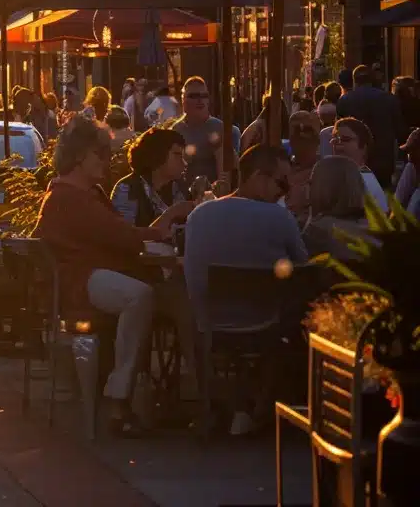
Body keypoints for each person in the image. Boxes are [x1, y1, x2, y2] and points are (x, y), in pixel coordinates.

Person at [34, 117, 193, 436]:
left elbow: (116, 235)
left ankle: (143, 394)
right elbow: (121, 235)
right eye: (100, 154)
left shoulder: (78, 193)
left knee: (156, 295)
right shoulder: (72, 198)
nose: (107, 161)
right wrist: (165, 225)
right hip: (80, 283)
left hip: (85, 276)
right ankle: (120, 396)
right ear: (80, 156)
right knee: (141, 296)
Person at [183, 145, 308, 435]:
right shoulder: (279, 218)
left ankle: (216, 405)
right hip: (266, 324)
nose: (286, 190)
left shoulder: (200, 215)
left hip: (209, 322)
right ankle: (258, 407)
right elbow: (304, 268)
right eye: (282, 181)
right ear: (258, 177)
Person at [337, 64, 404, 188]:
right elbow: (399, 130)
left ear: (354, 81)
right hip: (384, 159)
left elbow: (338, 131)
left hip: (355, 159)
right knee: (383, 196)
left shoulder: (344, 100)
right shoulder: (389, 99)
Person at [110, 127, 190, 227]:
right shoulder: (128, 189)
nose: (184, 163)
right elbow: (125, 235)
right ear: (157, 155)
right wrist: (172, 213)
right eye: (177, 155)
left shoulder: (178, 187)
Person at [301, 156, 375, 263]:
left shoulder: (318, 230)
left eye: (312, 183)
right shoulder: (375, 230)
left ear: (323, 188)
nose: (307, 187)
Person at [173, 76, 230, 187]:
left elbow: (224, 174)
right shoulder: (176, 129)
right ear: (183, 100)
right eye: (193, 96)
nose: (200, 100)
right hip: (181, 195)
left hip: (211, 196)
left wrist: (219, 190)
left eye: (204, 96)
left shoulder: (218, 128)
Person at [330, 116, 390, 213]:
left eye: (345, 139)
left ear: (363, 147)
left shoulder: (363, 181)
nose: (338, 144)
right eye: (335, 140)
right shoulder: (344, 176)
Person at [286, 110, 323, 220]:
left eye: (307, 130)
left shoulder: (324, 171)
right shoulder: (282, 169)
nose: (301, 133)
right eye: (296, 131)